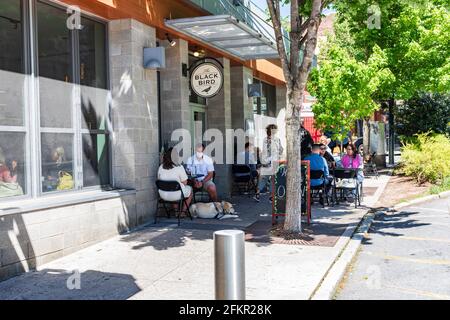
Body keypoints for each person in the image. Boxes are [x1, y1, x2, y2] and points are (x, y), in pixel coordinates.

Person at [254, 124, 283, 202]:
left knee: (263, 178)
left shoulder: (265, 140)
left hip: (265, 161)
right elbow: (280, 150)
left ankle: (257, 193)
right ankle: (271, 196)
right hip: (273, 162)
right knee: (273, 179)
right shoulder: (276, 139)